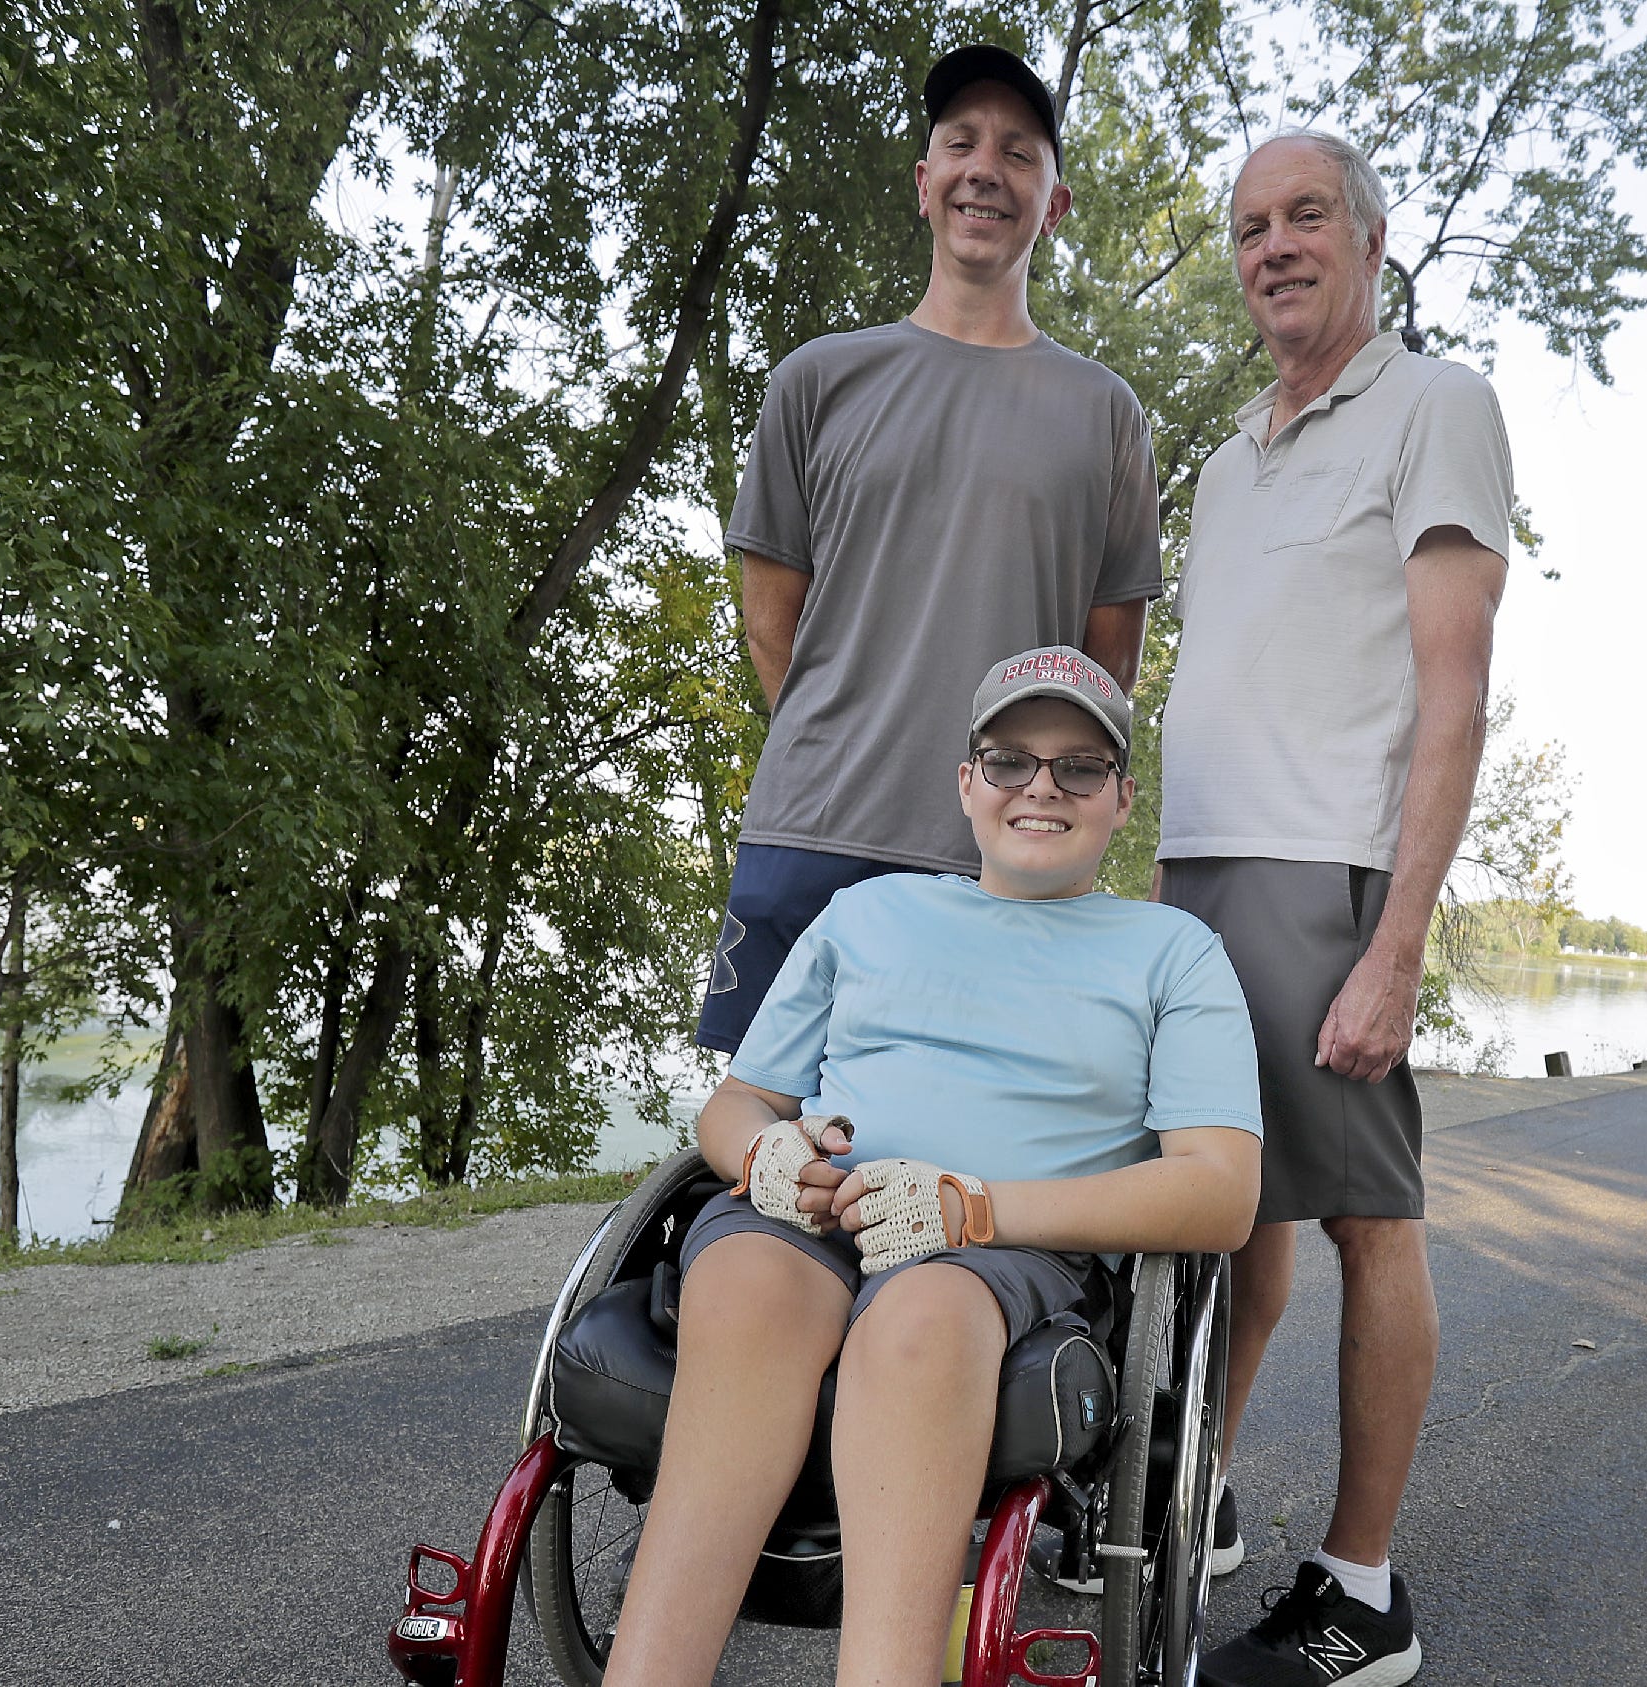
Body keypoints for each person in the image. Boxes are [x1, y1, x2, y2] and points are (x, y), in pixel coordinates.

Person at [602, 648, 1264, 1687]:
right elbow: (736, 1103)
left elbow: (1220, 1193)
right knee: (741, 1281)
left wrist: (972, 1209)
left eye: (1078, 767)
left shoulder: (1173, 952)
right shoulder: (865, 914)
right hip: (813, 1212)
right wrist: (765, 1154)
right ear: (967, 784)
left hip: (1006, 1254)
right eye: (1009, 759)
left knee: (920, 1322)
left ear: (1121, 800)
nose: (1040, 785)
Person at [1154, 130, 1515, 1687]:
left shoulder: (1434, 404)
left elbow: (1455, 685)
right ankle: (1195, 1494)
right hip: (1194, 868)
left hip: (1327, 869)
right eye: (1249, 226)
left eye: (1306, 215)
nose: (1273, 245)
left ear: (1370, 239)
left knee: (1366, 1216)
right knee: (1230, 1202)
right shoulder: (1232, 459)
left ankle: (1359, 1596)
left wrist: (1395, 943)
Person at [695, 44, 1163, 1059]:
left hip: (1001, 856)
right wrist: (863, 752)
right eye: (960, 143)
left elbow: (1104, 667)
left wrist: (1019, 796)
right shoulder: (817, 382)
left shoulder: (1107, 415)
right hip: (811, 832)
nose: (984, 168)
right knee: (776, 1162)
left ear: (1055, 203)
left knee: (960, 1180)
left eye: (1017, 152)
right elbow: (771, 623)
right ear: (923, 184)